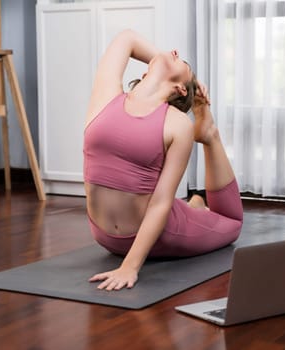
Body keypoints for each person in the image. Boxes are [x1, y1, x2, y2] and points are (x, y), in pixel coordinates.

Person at [83, 29, 243, 291]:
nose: (175, 52)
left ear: (180, 89)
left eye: (183, 62)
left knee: (232, 225)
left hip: (162, 235)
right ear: (144, 73)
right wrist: (165, 62)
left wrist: (130, 267)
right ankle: (195, 205)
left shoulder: (178, 124)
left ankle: (209, 135)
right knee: (194, 210)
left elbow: (160, 202)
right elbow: (126, 39)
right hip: (104, 236)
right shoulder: (107, 96)